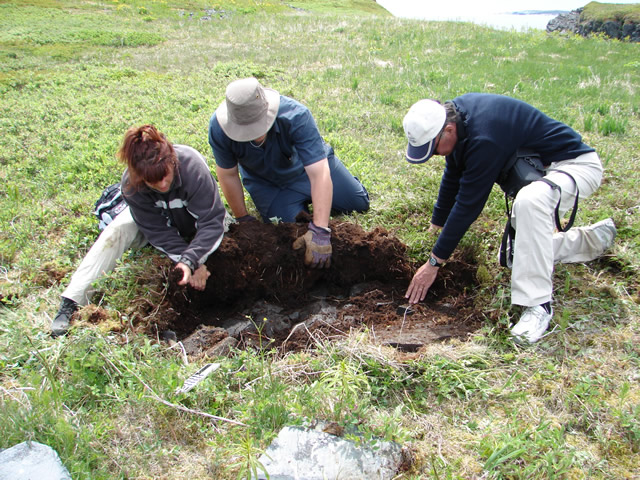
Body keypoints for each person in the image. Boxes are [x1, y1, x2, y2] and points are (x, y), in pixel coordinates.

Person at [402, 94, 616, 343]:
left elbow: (468, 206)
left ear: (448, 130)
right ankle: (591, 241)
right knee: (514, 256)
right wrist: (436, 223)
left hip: (574, 166)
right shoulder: (454, 116)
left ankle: (537, 306)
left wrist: (433, 263)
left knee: (530, 201)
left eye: (433, 147)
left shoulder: (485, 137)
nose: (434, 155)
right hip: (540, 172)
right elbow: (454, 168)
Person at [51, 125, 228, 337]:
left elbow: (211, 221)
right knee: (115, 232)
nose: (162, 184)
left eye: (165, 175)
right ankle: (71, 301)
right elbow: (158, 232)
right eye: (153, 180)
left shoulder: (192, 167)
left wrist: (190, 260)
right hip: (161, 221)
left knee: (222, 235)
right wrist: (191, 263)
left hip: (195, 220)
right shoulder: (131, 185)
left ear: (172, 160)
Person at [208, 77, 370, 268]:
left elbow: (319, 173)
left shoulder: (296, 115)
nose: (255, 134)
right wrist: (242, 218)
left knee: (358, 203)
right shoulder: (219, 128)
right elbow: (227, 174)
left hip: (308, 168)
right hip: (269, 184)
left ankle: (332, 192)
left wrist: (320, 230)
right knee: (289, 233)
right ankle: (299, 204)